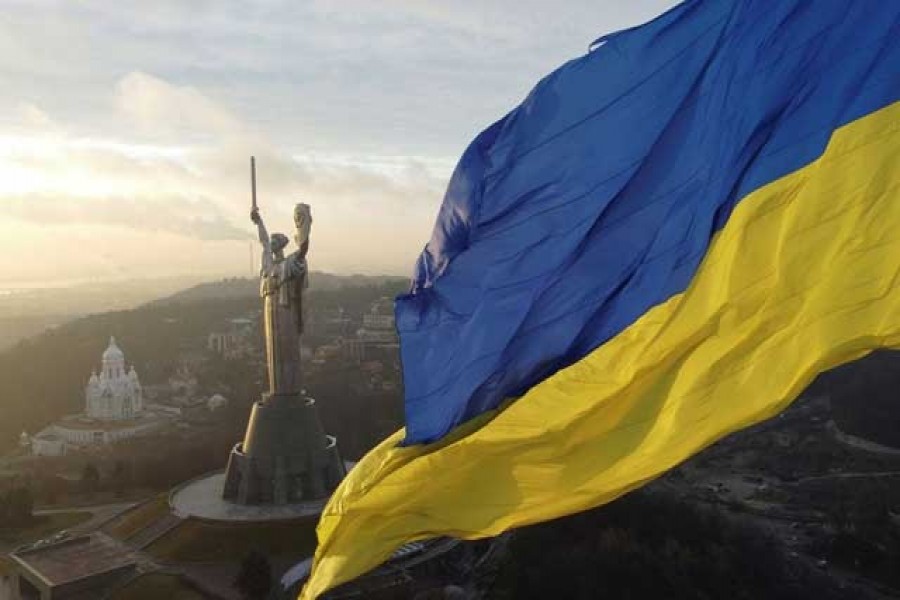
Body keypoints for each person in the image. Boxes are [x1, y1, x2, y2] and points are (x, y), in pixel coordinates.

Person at [251, 204, 311, 396]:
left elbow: (303, 251)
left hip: (285, 308)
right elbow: (263, 241)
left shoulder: (290, 263)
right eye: (272, 241)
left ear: (282, 244)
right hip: (270, 309)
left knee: (288, 347)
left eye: (275, 240)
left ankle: (290, 389)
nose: (271, 242)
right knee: (273, 349)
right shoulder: (268, 263)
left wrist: (303, 225)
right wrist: (259, 221)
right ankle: (276, 389)